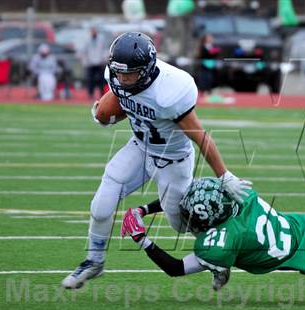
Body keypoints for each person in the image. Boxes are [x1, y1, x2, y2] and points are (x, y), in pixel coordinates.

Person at [61, 32, 252, 289]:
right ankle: (94, 261)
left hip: (173, 159)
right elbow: (123, 104)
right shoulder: (118, 76)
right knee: (101, 205)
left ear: (148, 69)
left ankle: (218, 258)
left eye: (129, 74)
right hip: (140, 148)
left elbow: (201, 137)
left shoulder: (171, 90)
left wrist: (224, 175)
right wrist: (105, 114)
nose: (122, 79)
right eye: (118, 73)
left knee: (182, 224)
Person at [120, 177, 305, 300]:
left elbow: (174, 268)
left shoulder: (220, 243)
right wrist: (146, 209)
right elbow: (200, 199)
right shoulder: (242, 194)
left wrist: (141, 238)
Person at [81, 27, 108, 99]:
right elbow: (84, 51)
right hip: (90, 63)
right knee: (90, 80)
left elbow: (105, 50)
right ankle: (91, 94)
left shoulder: (101, 39)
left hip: (100, 62)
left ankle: (102, 94)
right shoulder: (87, 40)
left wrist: (104, 59)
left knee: (101, 79)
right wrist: (86, 61)